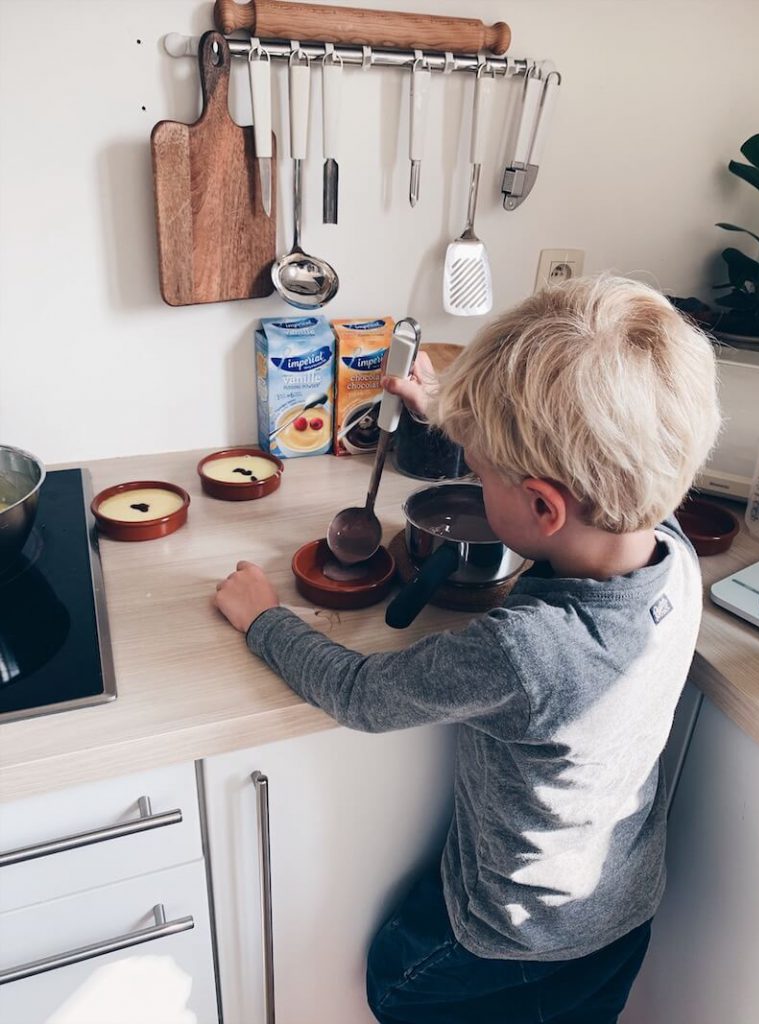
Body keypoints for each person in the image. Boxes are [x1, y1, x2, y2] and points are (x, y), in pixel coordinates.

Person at [214, 275, 721, 1023]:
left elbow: (361, 695)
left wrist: (264, 619)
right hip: (622, 916)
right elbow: (578, 466)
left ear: (544, 506)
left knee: (393, 986)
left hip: (500, 942)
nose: (474, 475)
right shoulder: (672, 552)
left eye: (480, 471)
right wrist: (458, 416)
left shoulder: (523, 652)